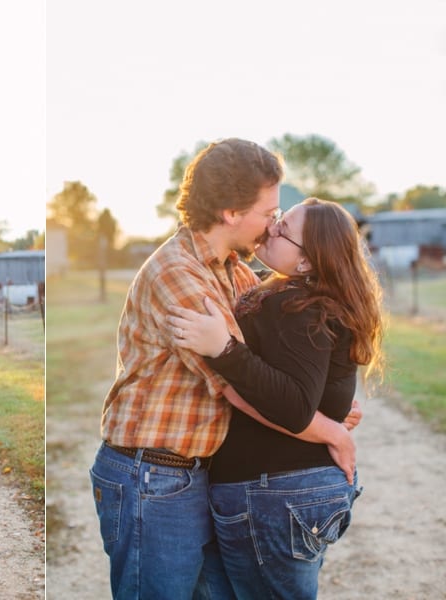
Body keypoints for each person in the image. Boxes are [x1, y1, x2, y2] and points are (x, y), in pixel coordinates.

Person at [89, 138, 358, 600]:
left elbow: (272, 366)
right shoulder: (177, 274)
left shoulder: (235, 271)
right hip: (152, 475)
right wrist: (329, 432)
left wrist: (326, 400)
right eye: (269, 212)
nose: (273, 224)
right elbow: (240, 389)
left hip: (196, 475)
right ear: (232, 212)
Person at [167, 198, 383, 599]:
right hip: (288, 492)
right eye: (279, 218)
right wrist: (333, 426)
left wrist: (225, 351)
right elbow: (317, 393)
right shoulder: (302, 297)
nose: (271, 228)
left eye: (283, 230)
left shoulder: (296, 304)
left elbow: (295, 406)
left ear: (306, 262)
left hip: (272, 493)